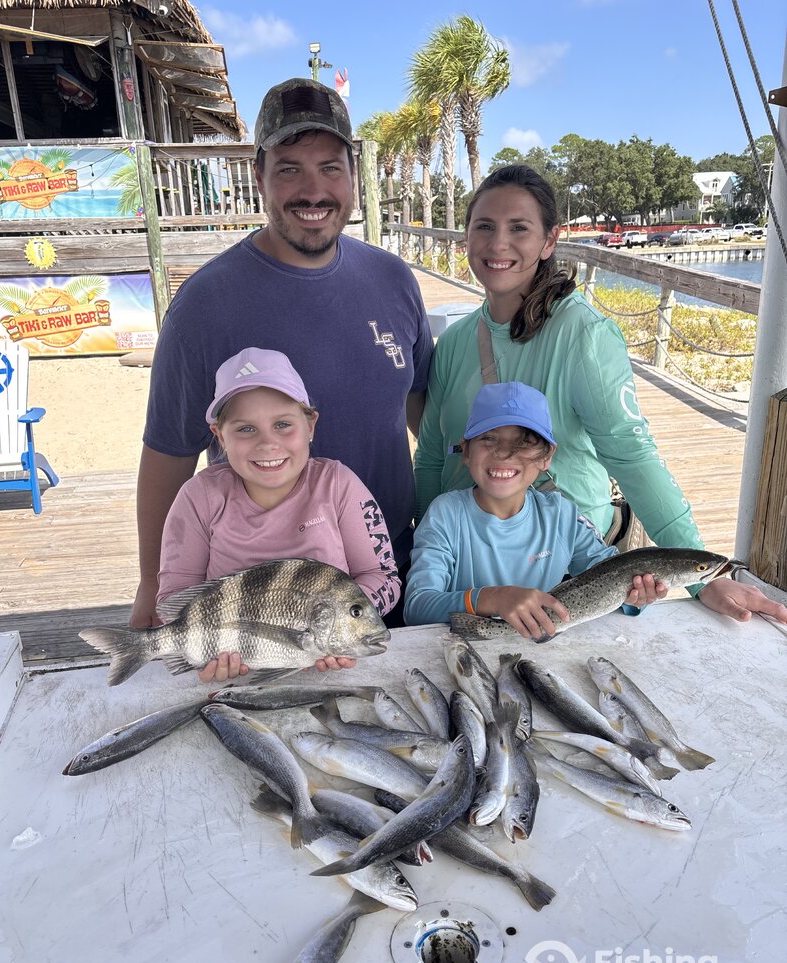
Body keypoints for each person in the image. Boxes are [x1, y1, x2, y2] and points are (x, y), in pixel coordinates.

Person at [413, 164, 787, 627]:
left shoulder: (584, 334)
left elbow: (631, 453)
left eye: (519, 228)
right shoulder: (453, 342)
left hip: (567, 570)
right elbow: (432, 456)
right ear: (466, 236)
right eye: (484, 226)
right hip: (464, 570)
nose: (498, 243)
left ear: (549, 241)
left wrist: (700, 577)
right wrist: (424, 545)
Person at [131, 77, 432, 629]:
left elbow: (420, 413)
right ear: (259, 176)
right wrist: (152, 587)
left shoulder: (394, 280)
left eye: (330, 168)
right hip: (261, 603)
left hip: (386, 581)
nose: (313, 191)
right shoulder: (204, 304)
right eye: (290, 169)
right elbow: (168, 454)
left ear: (353, 173)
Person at [157, 347, 401, 683]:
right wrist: (201, 652)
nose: (268, 443)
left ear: (310, 425)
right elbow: (173, 600)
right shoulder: (199, 497)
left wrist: (342, 625)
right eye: (245, 429)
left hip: (335, 677)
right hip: (232, 680)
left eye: (283, 424)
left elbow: (383, 576)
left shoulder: (338, 485)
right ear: (220, 436)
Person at [405, 381, 666, 634]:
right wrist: (493, 598)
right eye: (489, 438)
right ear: (466, 451)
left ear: (547, 456)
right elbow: (417, 607)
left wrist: (637, 595)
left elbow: (616, 577)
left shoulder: (561, 515)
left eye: (525, 442)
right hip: (461, 649)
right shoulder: (445, 515)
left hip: (542, 650)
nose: (505, 453)